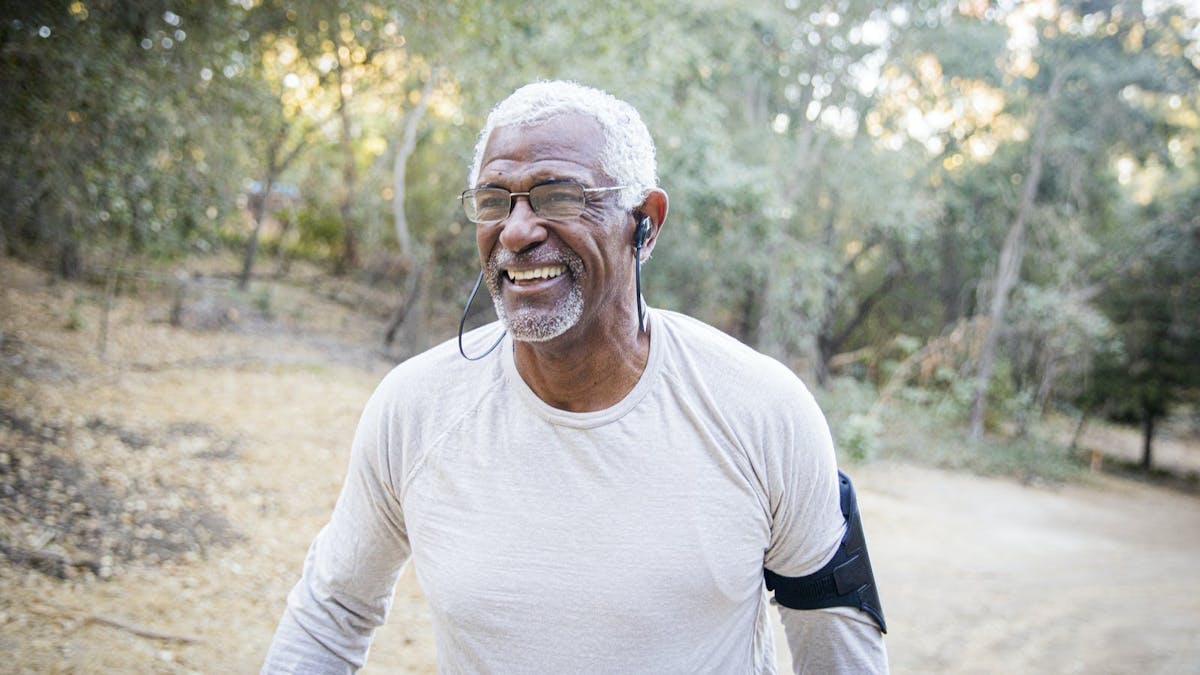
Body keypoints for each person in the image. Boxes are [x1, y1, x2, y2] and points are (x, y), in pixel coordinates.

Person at [262, 80, 888, 674]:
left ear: (645, 223)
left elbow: (836, 648)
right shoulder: (415, 408)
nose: (516, 230)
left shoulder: (760, 410)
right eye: (493, 201)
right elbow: (332, 609)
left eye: (559, 196)